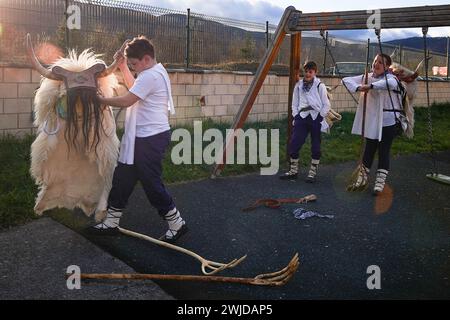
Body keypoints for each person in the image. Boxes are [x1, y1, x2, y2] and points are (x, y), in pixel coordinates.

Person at [88, 36, 187, 242]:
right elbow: (135, 87)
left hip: (150, 138)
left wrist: (101, 100)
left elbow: (128, 99)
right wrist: (123, 66)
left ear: (146, 59)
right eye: (130, 65)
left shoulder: (151, 76)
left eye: (134, 64)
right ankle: (112, 222)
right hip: (141, 138)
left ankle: (177, 224)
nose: (133, 68)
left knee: (151, 183)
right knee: (123, 178)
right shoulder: (152, 72)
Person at [342, 53, 404, 195]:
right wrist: (358, 88)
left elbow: (389, 84)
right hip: (374, 122)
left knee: (383, 152)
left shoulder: (391, 78)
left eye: (381, 63)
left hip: (388, 123)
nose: (376, 64)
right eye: (376, 61)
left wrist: (369, 86)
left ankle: (379, 184)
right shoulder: (368, 76)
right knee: (369, 150)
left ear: (387, 67)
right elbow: (345, 80)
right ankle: (362, 180)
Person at [280, 61, 331, 183]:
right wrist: (296, 116)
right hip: (301, 117)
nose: (308, 74)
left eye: (310, 72)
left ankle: (312, 173)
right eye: (306, 71)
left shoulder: (320, 86)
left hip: (315, 118)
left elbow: (326, 105)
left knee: (316, 146)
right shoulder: (298, 86)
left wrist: (319, 118)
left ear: (315, 72)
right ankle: (293, 171)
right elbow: (294, 103)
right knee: (294, 143)